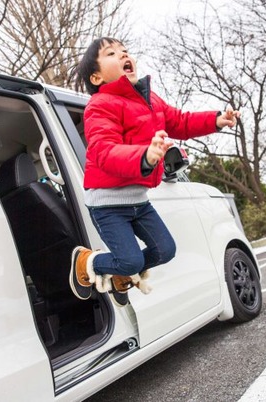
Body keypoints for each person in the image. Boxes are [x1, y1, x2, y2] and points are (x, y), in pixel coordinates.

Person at [70, 37, 240, 306]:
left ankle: (119, 274)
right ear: (96, 76)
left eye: (125, 51)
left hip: (139, 201)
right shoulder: (100, 105)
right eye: (112, 53)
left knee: (165, 250)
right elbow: (103, 151)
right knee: (131, 260)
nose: (124, 55)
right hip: (108, 205)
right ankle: (87, 261)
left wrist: (216, 120)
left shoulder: (150, 99)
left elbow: (181, 122)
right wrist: (145, 156)